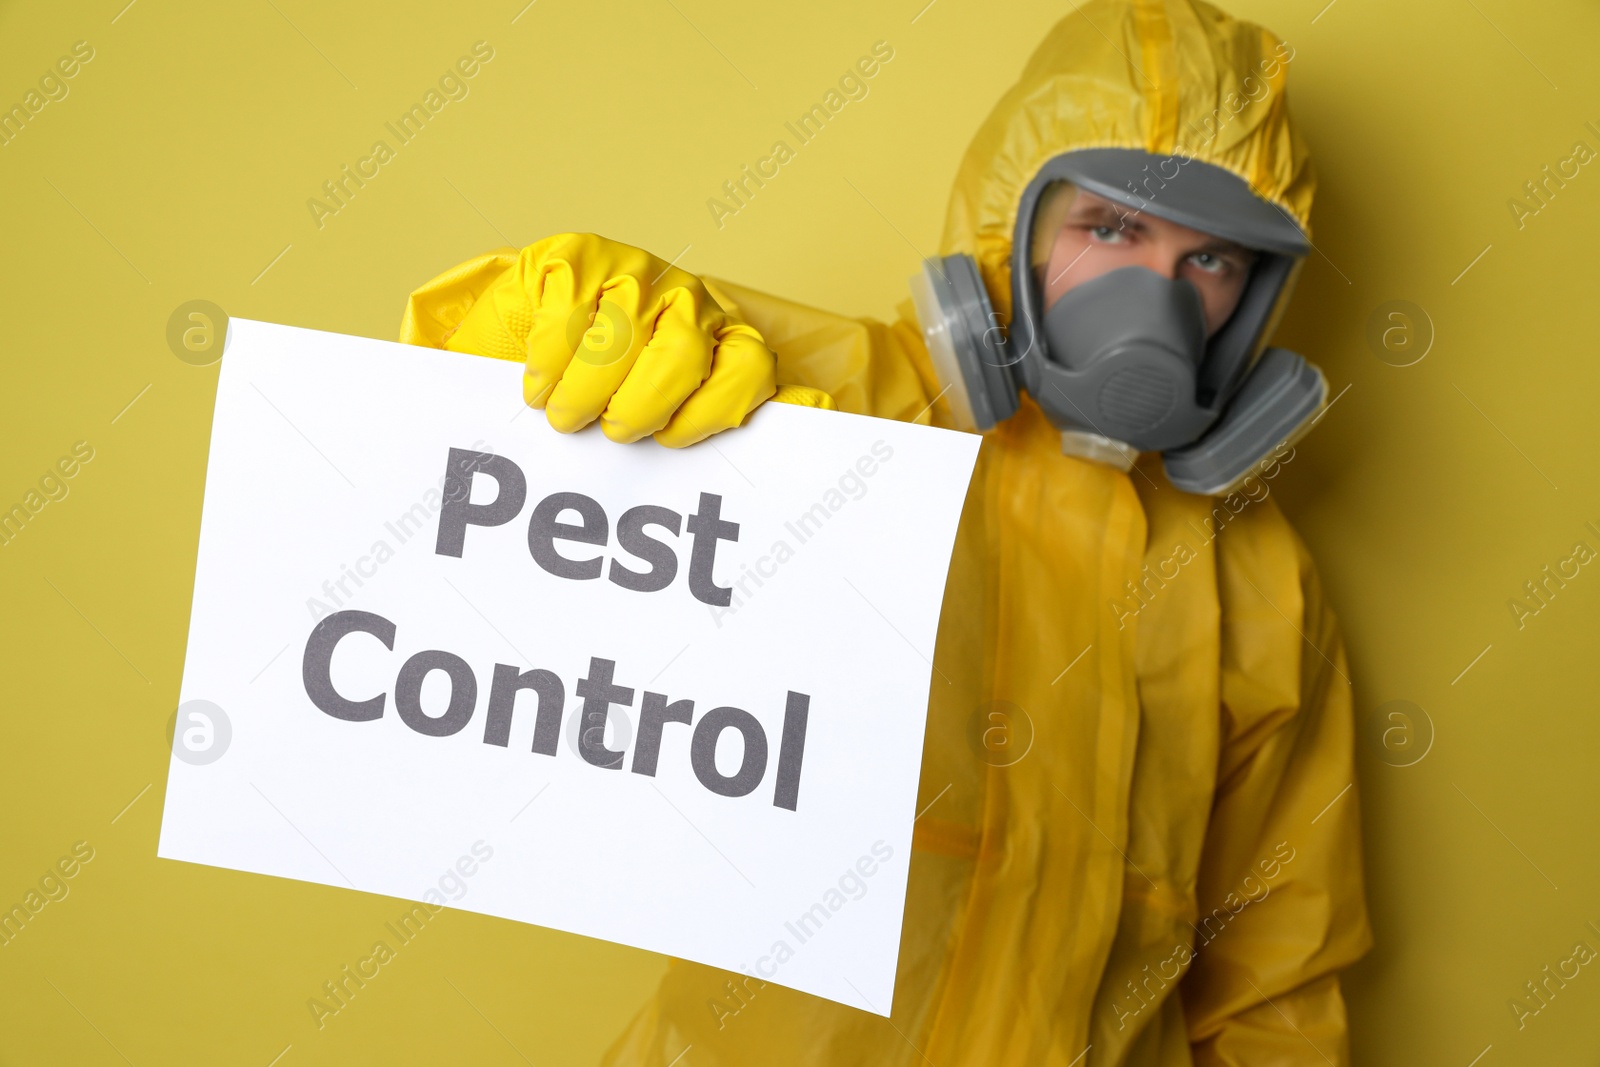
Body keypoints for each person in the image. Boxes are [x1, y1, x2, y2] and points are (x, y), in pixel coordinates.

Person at [397, 0, 1371, 1062]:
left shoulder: (1260, 584)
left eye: (1213, 261)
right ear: (1012, 223)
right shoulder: (845, 415)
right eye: (1110, 229)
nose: (1160, 300)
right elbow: (487, 424)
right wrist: (560, 320)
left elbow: (1278, 973)